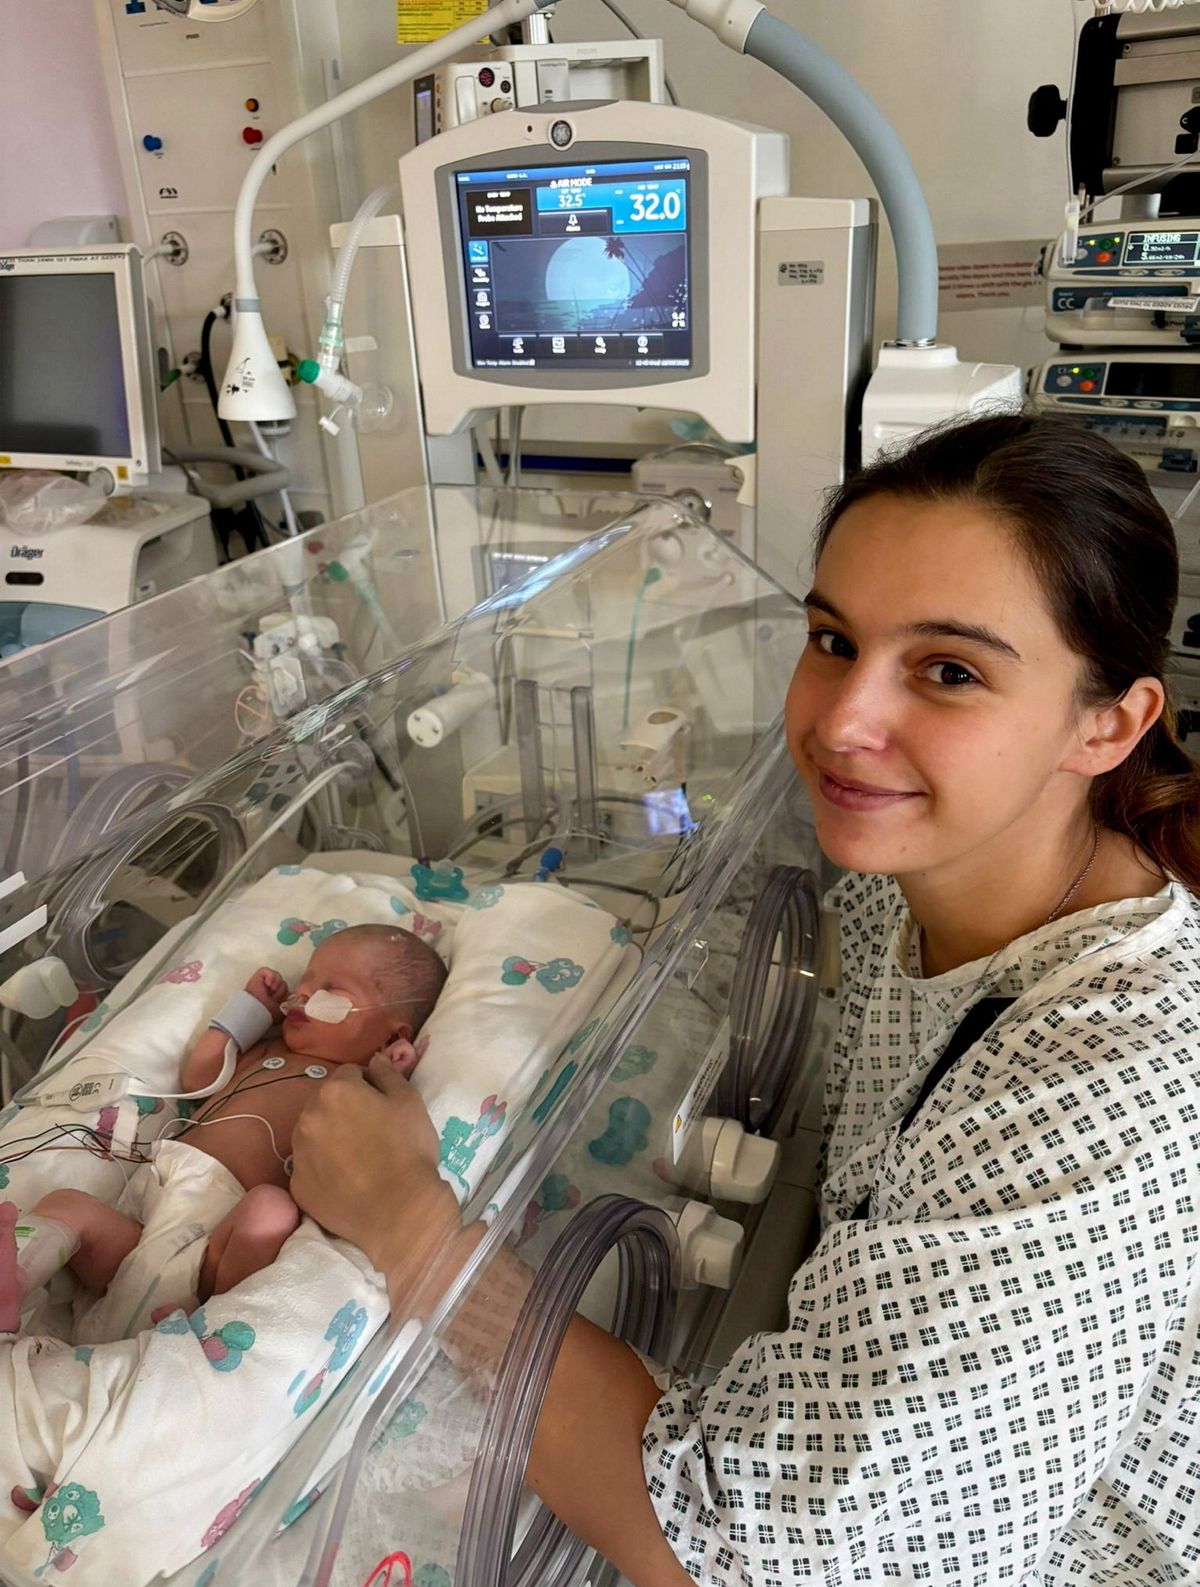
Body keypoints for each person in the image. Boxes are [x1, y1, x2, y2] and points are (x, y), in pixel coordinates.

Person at [288, 412, 1200, 1586]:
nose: (843, 723)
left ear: (1108, 724)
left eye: (951, 670)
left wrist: (414, 1234)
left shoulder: (1108, 1084)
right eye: (832, 640)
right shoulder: (911, 894)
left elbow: (756, 1556)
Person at [7, 923, 446, 1323]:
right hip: (144, 1212)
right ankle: (14, 1277)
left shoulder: (353, 1086)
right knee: (67, 1205)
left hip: (215, 1245)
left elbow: (373, 1144)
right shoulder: (266, 1052)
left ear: (391, 1036)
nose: (303, 996)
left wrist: (391, 1073)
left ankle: (208, 1316)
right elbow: (199, 1077)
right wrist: (249, 1010)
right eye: (305, 983)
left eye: (330, 992)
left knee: (271, 1210)